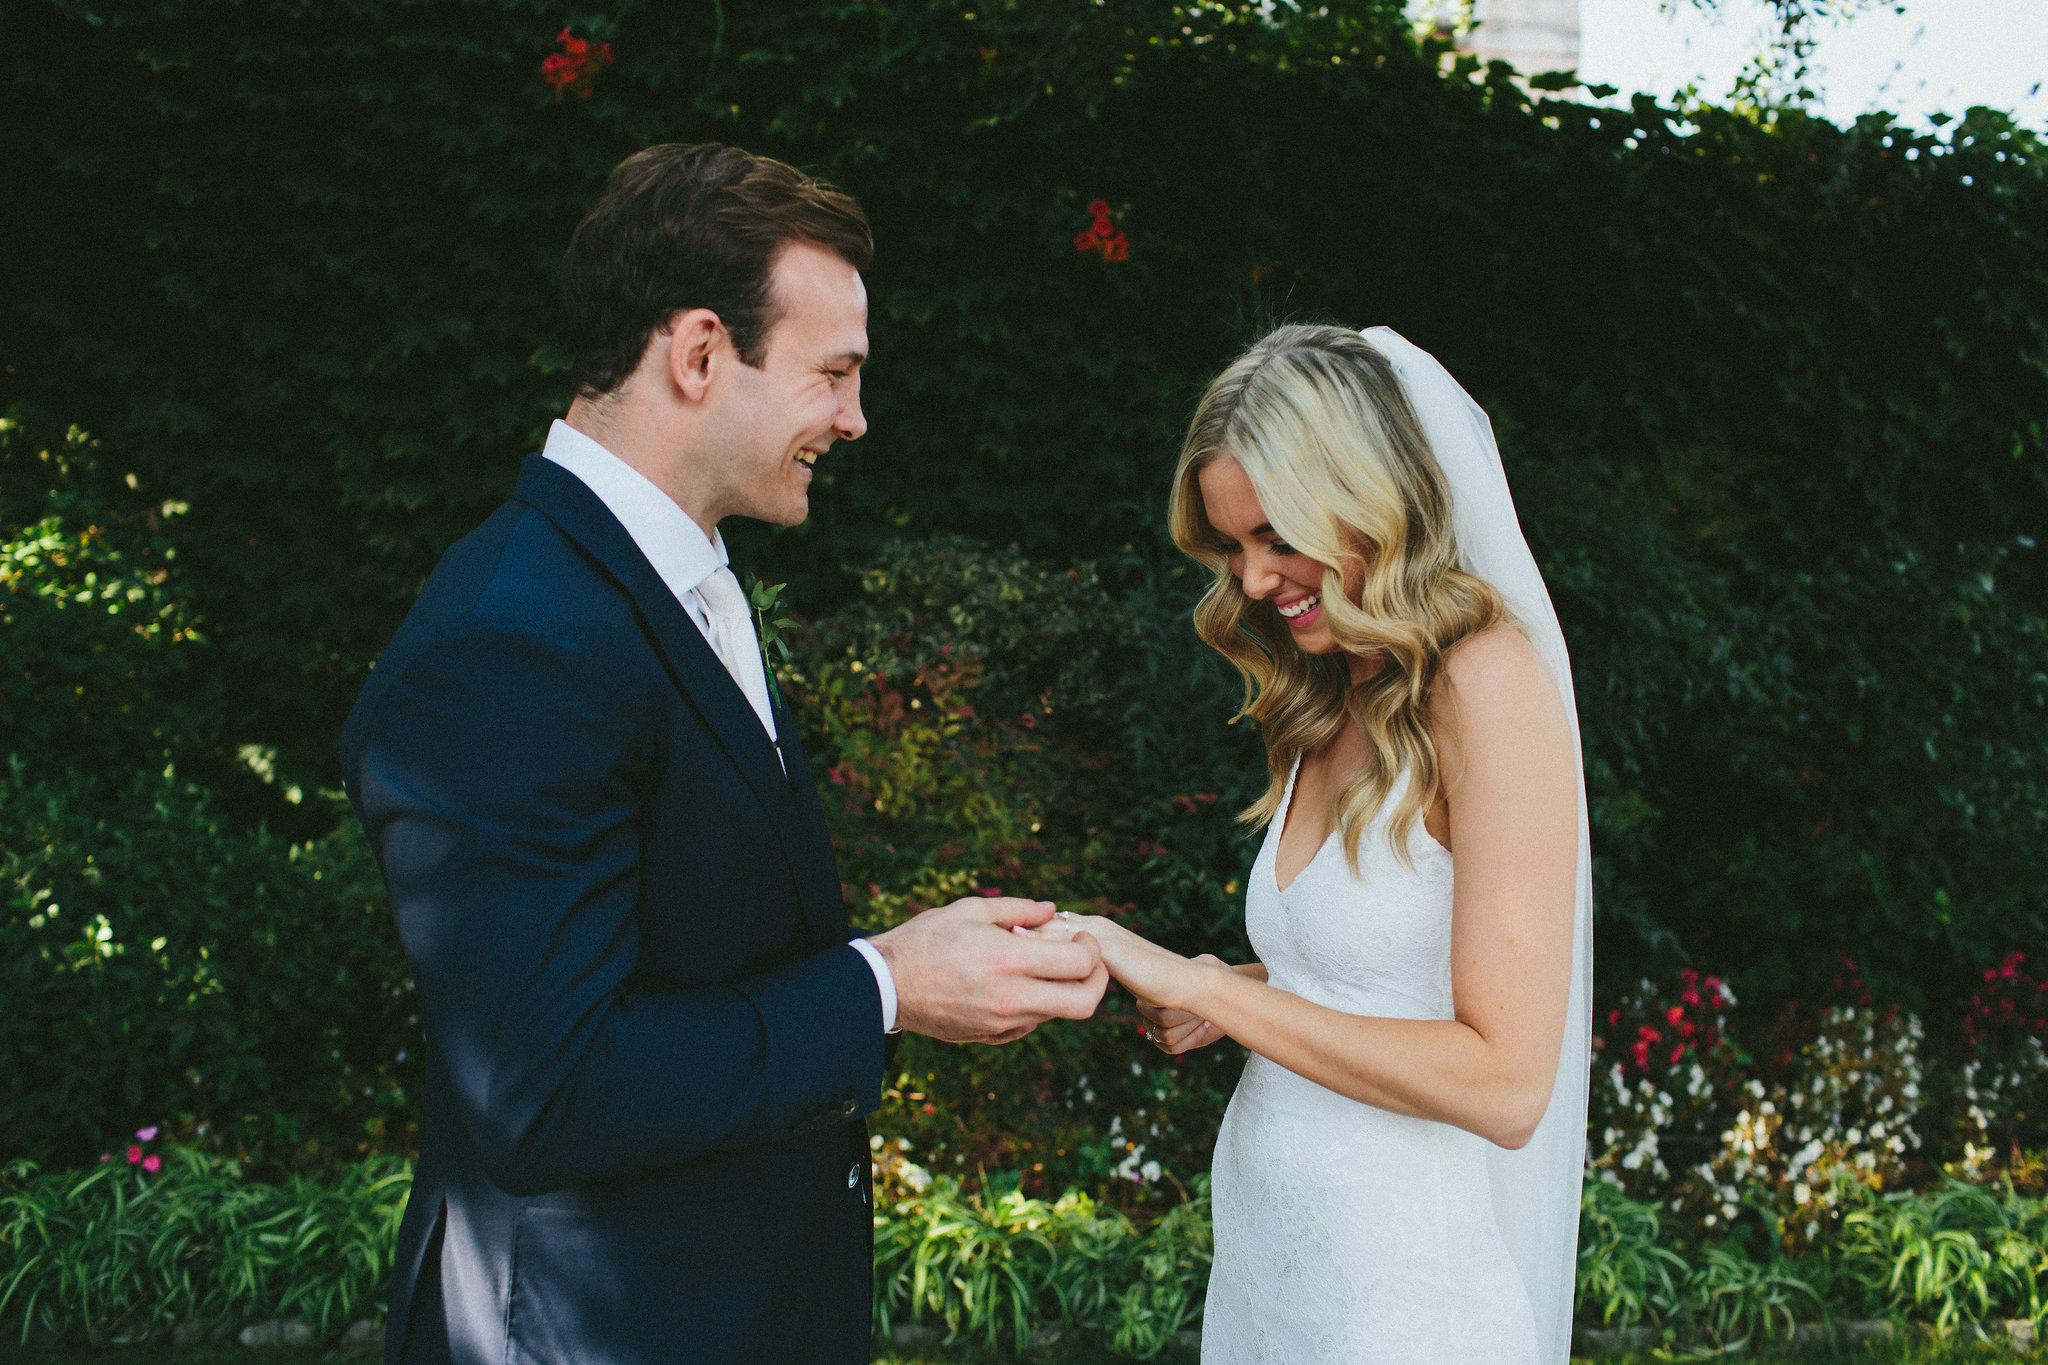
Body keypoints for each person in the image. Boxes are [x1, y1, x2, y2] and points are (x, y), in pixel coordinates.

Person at [341, 143, 1109, 1365]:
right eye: (834, 374)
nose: (856, 418)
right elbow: (547, 1087)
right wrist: (885, 988)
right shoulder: (513, 637)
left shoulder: (669, 576)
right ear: (699, 354)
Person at [1042, 325, 1592, 1363]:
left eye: (1277, 536)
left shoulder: (1484, 683)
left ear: (1368, 498)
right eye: (1230, 545)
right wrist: (1235, 980)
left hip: (1400, 1307)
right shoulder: (1336, 688)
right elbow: (1382, 974)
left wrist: (1212, 994)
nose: (1251, 580)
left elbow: (1505, 1081)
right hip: (1275, 1276)